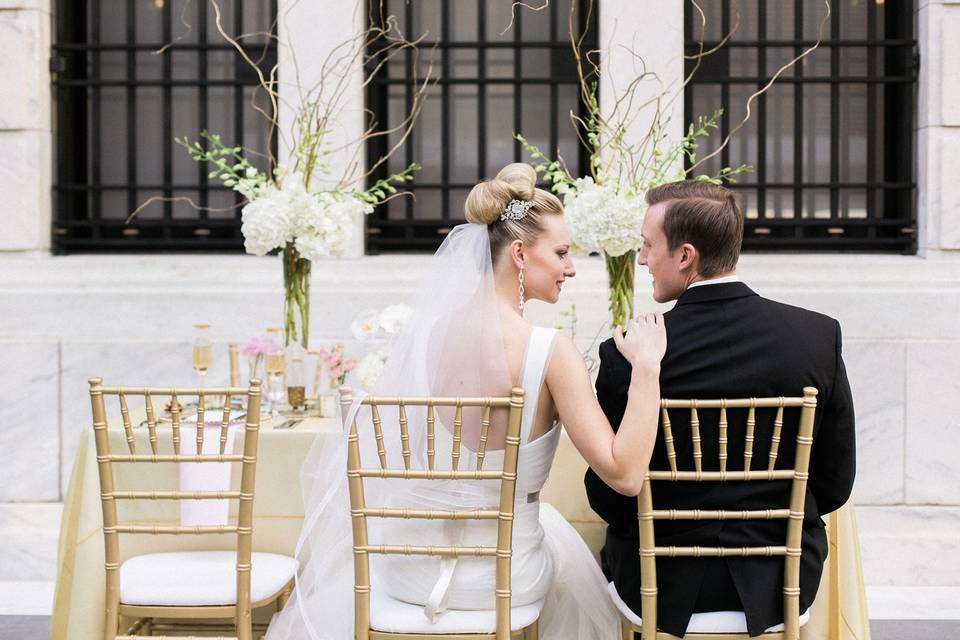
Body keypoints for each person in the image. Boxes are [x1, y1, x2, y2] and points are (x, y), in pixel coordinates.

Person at [265, 163, 667, 640]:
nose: (571, 267)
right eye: (561, 253)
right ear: (519, 253)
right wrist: (647, 368)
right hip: (498, 580)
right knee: (555, 540)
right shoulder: (550, 351)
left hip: (407, 568)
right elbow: (623, 475)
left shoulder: (427, 335)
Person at [585, 179, 856, 637]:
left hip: (656, 585)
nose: (643, 260)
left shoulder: (626, 354)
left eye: (649, 246)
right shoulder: (817, 338)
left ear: (685, 256)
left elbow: (610, 497)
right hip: (780, 583)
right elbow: (834, 482)